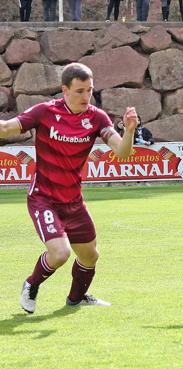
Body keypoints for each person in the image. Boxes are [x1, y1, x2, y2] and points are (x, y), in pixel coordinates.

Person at [0, 63, 139, 314]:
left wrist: (129, 131)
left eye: (90, 90)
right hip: (44, 198)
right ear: (65, 90)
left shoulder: (97, 117)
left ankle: (77, 298)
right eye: (80, 91)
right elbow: (7, 128)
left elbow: (122, 151)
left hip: (73, 201)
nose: (86, 97)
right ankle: (31, 284)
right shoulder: (45, 112)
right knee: (60, 253)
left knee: (90, 256)